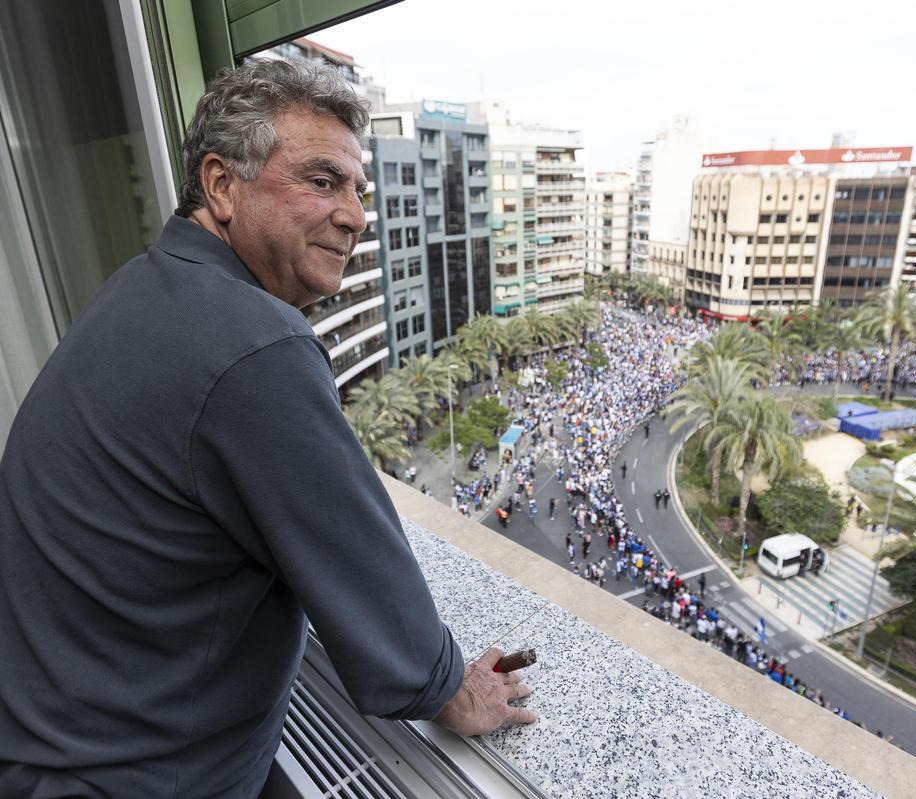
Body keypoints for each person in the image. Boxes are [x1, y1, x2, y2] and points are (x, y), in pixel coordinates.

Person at [0, 60, 534, 798]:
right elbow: (378, 599)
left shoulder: (142, 287)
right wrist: (455, 687)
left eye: (357, 188)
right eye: (321, 181)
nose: (353, 213)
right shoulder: (255, 344)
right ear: (221, 185)